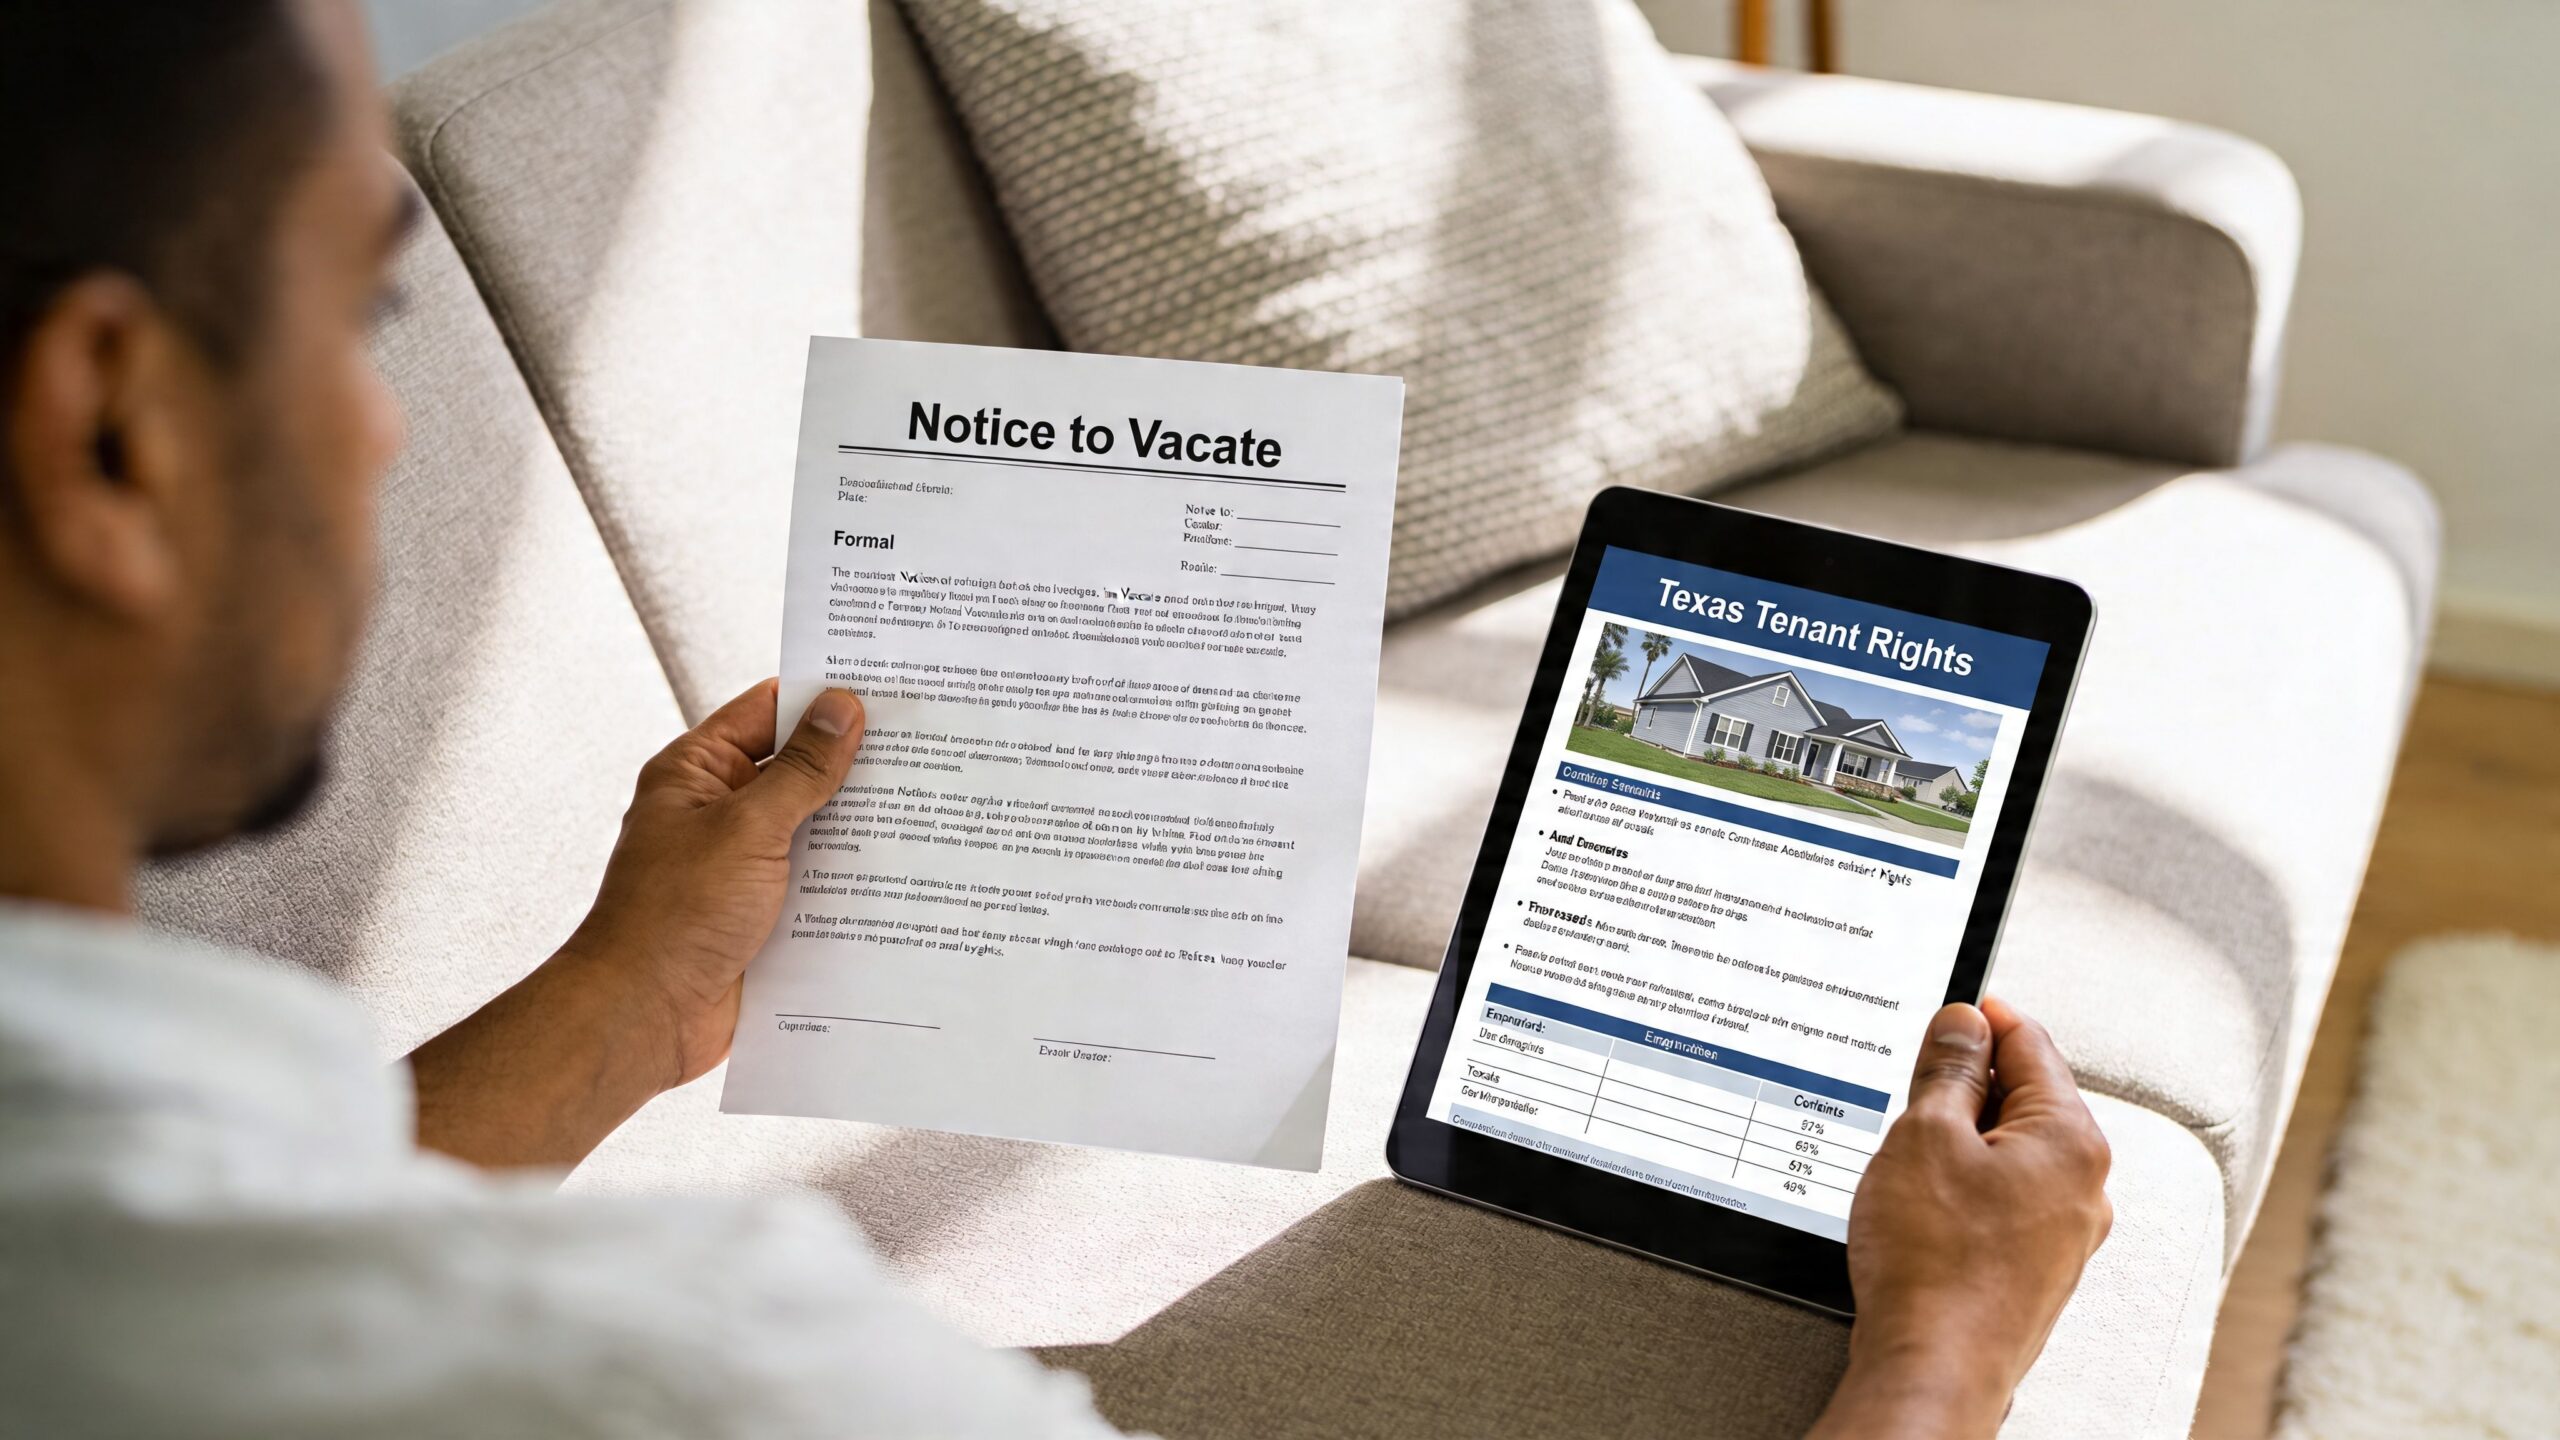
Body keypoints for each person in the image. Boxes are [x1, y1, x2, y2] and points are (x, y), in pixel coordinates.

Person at [0, 3, 2113, 1434]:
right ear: (107, 435)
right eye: (362, 307)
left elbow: (191, 1210)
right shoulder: (693, 1374)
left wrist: (629, 996)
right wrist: (1943, 1346)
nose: (385, 427)